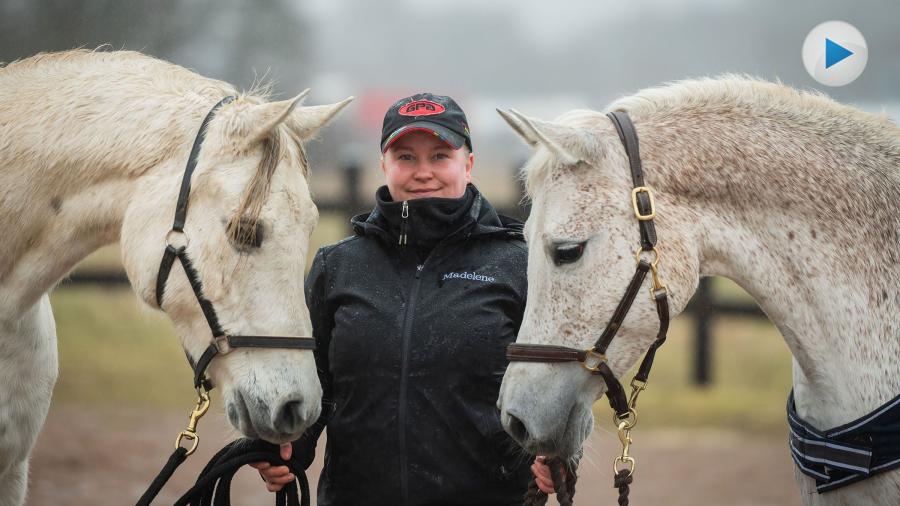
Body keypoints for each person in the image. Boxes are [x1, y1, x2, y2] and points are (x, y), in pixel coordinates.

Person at [252, 93, 558, 505]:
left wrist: (556, 456)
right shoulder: (337, 266)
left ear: (468, 164)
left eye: (439, 156)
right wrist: (287, 451)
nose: (423, 172)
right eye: (406, 157)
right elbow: (316, 382)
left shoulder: (518, 266)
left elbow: (553, 386)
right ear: (384, 165)